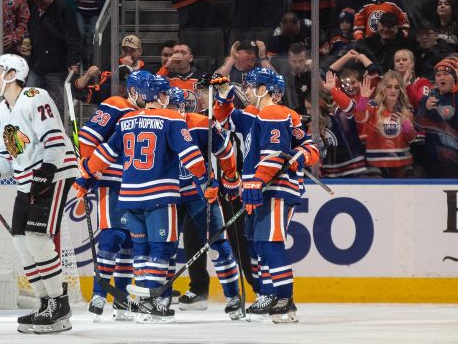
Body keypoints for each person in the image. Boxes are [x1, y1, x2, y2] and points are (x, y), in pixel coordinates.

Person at [75, 73, 208, 323]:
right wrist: (204, 181)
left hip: (129, 195)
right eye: (165, 93)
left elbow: (106, 151)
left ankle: (136, 301)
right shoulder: (169, 117)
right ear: (157, 95)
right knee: (161, 248)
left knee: (139, 249)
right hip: (160, 195)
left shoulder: (128, 119)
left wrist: (85, 175)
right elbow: (191, 155)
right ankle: (147, 302)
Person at [0, 54, 79, 334]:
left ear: (13, 73)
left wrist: (48, 169)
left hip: (55, 173)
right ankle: (45, 302)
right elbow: (5, 156)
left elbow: (54, 137)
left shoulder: (34, 96)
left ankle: (59, 302)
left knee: (37, 239)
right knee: (20, 242)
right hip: (27, 180)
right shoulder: (1, 113)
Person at [212, 68, 319, 323]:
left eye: (249, 86)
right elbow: (224, 120)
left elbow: (273, 156)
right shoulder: (256, 115)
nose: (245, 91)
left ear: (263, 90)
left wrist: (256, 181)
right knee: (259, 243)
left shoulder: (274, 113)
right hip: (260, 188)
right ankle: (273, 295)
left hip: (274, 188)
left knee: (270, 243)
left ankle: (283, 297)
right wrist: (224, 95)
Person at [167, 83, 243, 319]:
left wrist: (230, 178)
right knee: (164, 247)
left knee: (218, 245)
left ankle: (233, 297)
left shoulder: (201, 124)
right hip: (167, 193)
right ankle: (160, 299)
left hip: (200, 194)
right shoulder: (155, 123)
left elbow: (226, 151)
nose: (166, 108)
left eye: (171, 104)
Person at [77, 70, 139, 321]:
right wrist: (88, 168)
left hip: (137, 186)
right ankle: (99, 294)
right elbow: (88, 136)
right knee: (111, 238)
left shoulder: (149, 114)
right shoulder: (116, 104)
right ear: (132, 90)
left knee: (128, 243)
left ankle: (122, 298)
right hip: (112, 182)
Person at [26, 0, 82, 117]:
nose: (38, 2)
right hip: (36, 64)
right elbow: (31, 30)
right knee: (28, 101)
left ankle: (60, 132)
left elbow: (74, 38)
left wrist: (73, 61)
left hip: (56, 66)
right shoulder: (35, 9)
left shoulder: (63, 9)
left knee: (58, 105)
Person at [355, 71, 417, 177]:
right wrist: (363, 99)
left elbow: (412, 139)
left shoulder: (406, 109)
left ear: (401, 90)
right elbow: (359, 118)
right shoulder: (372, 106)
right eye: (389, 86)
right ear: (383, 88)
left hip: (402, 164)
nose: (393, 90)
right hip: (376, 163)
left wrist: (405, 124)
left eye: (397, 87)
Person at [416, 56, 458, 177]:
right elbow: (417, 123)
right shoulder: (428, 98)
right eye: (438, 75)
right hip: (433, 163)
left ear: (455, 77)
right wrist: (426, 109)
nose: (441, 77)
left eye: (446, 74)